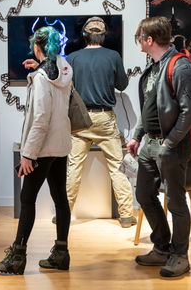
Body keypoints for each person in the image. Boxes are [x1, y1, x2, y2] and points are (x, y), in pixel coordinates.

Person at [0, 26, 72, 275]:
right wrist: (36, 68)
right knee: (60, 198)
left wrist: (28, 154)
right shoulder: (65, 69)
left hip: (42, 148)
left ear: (38, 47)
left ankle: (17, 257)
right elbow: (55, 99)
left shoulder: (40, 79)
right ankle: (61, 254)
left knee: (27, 199)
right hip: (60, 145)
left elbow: (40, 119)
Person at [127, 16, 191, 277]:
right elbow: (148, 106)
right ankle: (162, 247)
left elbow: (189, 112)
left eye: (139, 37)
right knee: (144, 195)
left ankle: (180, 256)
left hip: (172, 146)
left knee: (176, 202)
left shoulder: (181, 67)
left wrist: (169, 142)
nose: (138, 41)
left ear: (148, 40)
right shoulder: (153, 67)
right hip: (149, 145)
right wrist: (137, 136)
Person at [64, 16, 136, 228]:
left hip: (80, 118)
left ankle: (63, 214)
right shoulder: (113, 56)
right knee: (117, 167)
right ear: (103, 36)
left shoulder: (72, 58)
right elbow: (122, 84)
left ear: (85, 35)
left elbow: (66, 87)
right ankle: (125, 216)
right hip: (104, 118)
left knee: (74, 167)